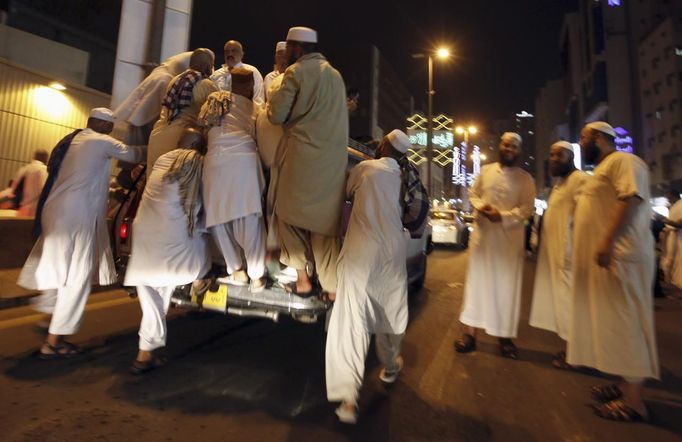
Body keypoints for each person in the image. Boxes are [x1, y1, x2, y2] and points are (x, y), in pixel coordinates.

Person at [17, 108, 145, 359]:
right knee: (77, 277)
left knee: (57, 269)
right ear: (105, 126)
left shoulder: (75, 139)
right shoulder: (100, 141)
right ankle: (54, 341)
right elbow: (134, 153)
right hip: (77, 216)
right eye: (110, 127)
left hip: (56, 212)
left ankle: (50, 317)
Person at [569, 121, 659, 422]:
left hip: (623, 257)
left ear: (597, 138)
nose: (581, 144)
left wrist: (607, 240)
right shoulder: (607, 167)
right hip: (614, 260)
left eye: (583, 138)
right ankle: (625, 385)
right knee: (618, 323)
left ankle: (634, 403)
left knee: (627, 324)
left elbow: (630, 198)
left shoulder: (623, 160)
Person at [326, 129, 411, 424]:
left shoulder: (365, 169)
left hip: (362, 254)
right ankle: (389, 366)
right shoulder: (406, 178)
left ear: (384, 144)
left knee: (352, 322)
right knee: (388, 317)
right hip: (393, 255)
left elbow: (346, 193)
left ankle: (348, 401)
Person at [267, 26, 348, 300]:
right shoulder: (335, 76)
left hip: (303, 158)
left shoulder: (296, 72)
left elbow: (276, 115)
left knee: (287, 215)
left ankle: (302, 280)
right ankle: (331, 287)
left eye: (288, 48)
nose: (286, 53)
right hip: (333, 163)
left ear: (297, 48)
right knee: (325, 226)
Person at [124, 127, 210, 374]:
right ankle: (200, 282)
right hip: (174, 239)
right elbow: (201, 204)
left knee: (154, 296)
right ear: (199, 147)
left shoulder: (163, 159)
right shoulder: (199, 163)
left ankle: (144, 354)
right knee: (200, 255)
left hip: (144, 234)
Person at [455, 132, 536, 359]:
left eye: (514, 146)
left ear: (519, 150)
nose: (509, 148)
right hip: (483, 241)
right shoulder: (485, 170)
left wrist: (501, 216)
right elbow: (473, 193)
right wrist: (482, 208)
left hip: (509, 245)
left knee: (506, 290)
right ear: (500, 146)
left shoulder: (526, 179)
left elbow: (526, 209)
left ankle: (505, 338)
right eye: (506, 144)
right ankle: (470, 335)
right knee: (476, 286)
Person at [200, 70, 267, 291]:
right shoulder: (256, 109)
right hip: (243, 163)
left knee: (218, 217)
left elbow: (203, 129)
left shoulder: (214, 100)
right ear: (250, 87)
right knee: (247, 218)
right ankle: (257, 276)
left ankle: (237, 270)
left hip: (214, 162)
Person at [529, 141, 588, 368]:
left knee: (571, 306)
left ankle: (576, 355)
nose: (553, 159)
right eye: (551, 155)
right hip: (556, 256)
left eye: (559, 155)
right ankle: (570, 350)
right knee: (564, 306)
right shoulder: (560, 183)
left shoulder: (581, 180)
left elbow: (585, 217)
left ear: (571, 157)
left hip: (569, 256)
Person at [147, 48, 218, 167]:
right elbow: (216, 114)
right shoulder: (207, 85)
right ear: (207, 67)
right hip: (181, 142)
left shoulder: (175, 79)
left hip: (157, 138)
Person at [114, 51, 192, 145]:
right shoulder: (165, 79)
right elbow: (166, 111)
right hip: (143, 123)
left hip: (138, 121)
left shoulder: (161, 73)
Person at [210, 40, 265, 107]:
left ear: (242, 54)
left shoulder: (251, 71)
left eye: (234, 51)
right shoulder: (216, 74)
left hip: (245, 114)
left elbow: (258, 99)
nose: (230, 54)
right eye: (227, 51)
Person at [2, 150, 48, 216]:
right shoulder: (43, 169)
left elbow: (11, 190)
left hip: (23, 208)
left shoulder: (24, 169)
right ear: (45, 158)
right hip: (35, 209)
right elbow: (43, 189)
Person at [660, 189, 682, 290]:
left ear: (674, 195)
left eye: (669, 196)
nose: (667, 199)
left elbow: (679, 224)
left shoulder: (680, 205)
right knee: (670, 262)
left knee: (678, 262)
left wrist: (666, 221)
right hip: (672, 236)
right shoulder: (673, 206)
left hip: (677, 237)